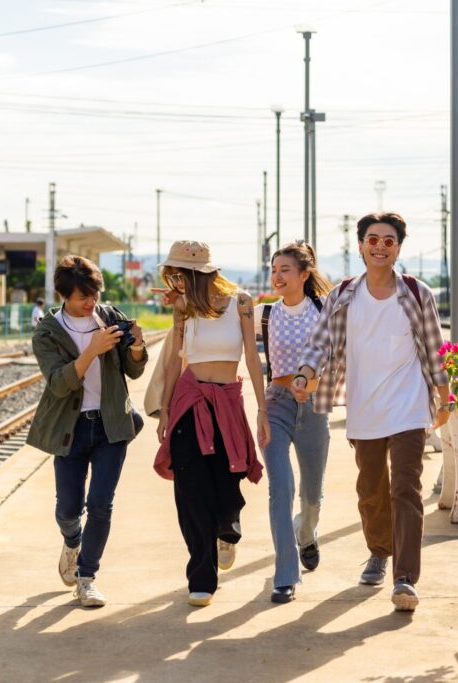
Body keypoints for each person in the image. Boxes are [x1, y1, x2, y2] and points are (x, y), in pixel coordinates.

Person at [292, 212, 452, 613]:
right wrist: (306, 373)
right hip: (365, 407)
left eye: (389, 241)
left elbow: (434, 348)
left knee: (406, 488)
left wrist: (444, 395)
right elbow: (320, 344)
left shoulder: (417, 293)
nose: (380, 246)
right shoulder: (343, 294)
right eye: (373, 239)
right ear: (361, 245)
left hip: (409, 406)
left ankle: (404, 577)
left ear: (399, 247)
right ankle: (378, 551)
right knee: (371, 489)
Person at [27, 255, 148, 608]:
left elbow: (134, 370)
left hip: (111, 425)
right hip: (71, 429)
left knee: (100, 505)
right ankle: (71, 541)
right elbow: (59, 383)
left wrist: (137, 347)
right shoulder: (47, 333)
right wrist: (91, 351)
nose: (90, 302)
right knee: (68, 508)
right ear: (65, 295)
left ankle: (87, 577)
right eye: (83, 297)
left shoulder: (109, 317)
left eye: (94, 294)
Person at [153, 240, 269, 608]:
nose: (175, 282)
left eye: (179, 275)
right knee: (190, 491)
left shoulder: (242, 303)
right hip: (190, 400)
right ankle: (201, 578)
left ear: (198, 273)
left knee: (227, 483)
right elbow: (175, 361)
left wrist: (262, 410)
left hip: (228, 401)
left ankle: (227, 529)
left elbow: (252, 357)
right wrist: (166, 409)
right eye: (171, 276)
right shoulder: (183, 308)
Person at [254, 241, 333, 604]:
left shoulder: (323, 309)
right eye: (274, 270)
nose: (278, 276)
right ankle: (285, 574)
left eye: (285, 269)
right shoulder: (265, 314)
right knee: (280, 488)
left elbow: (339, 354)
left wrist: (313, 383)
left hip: (314, 406)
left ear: (304, 274)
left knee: (311, 494)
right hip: (277, 405)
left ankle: (307, 531)